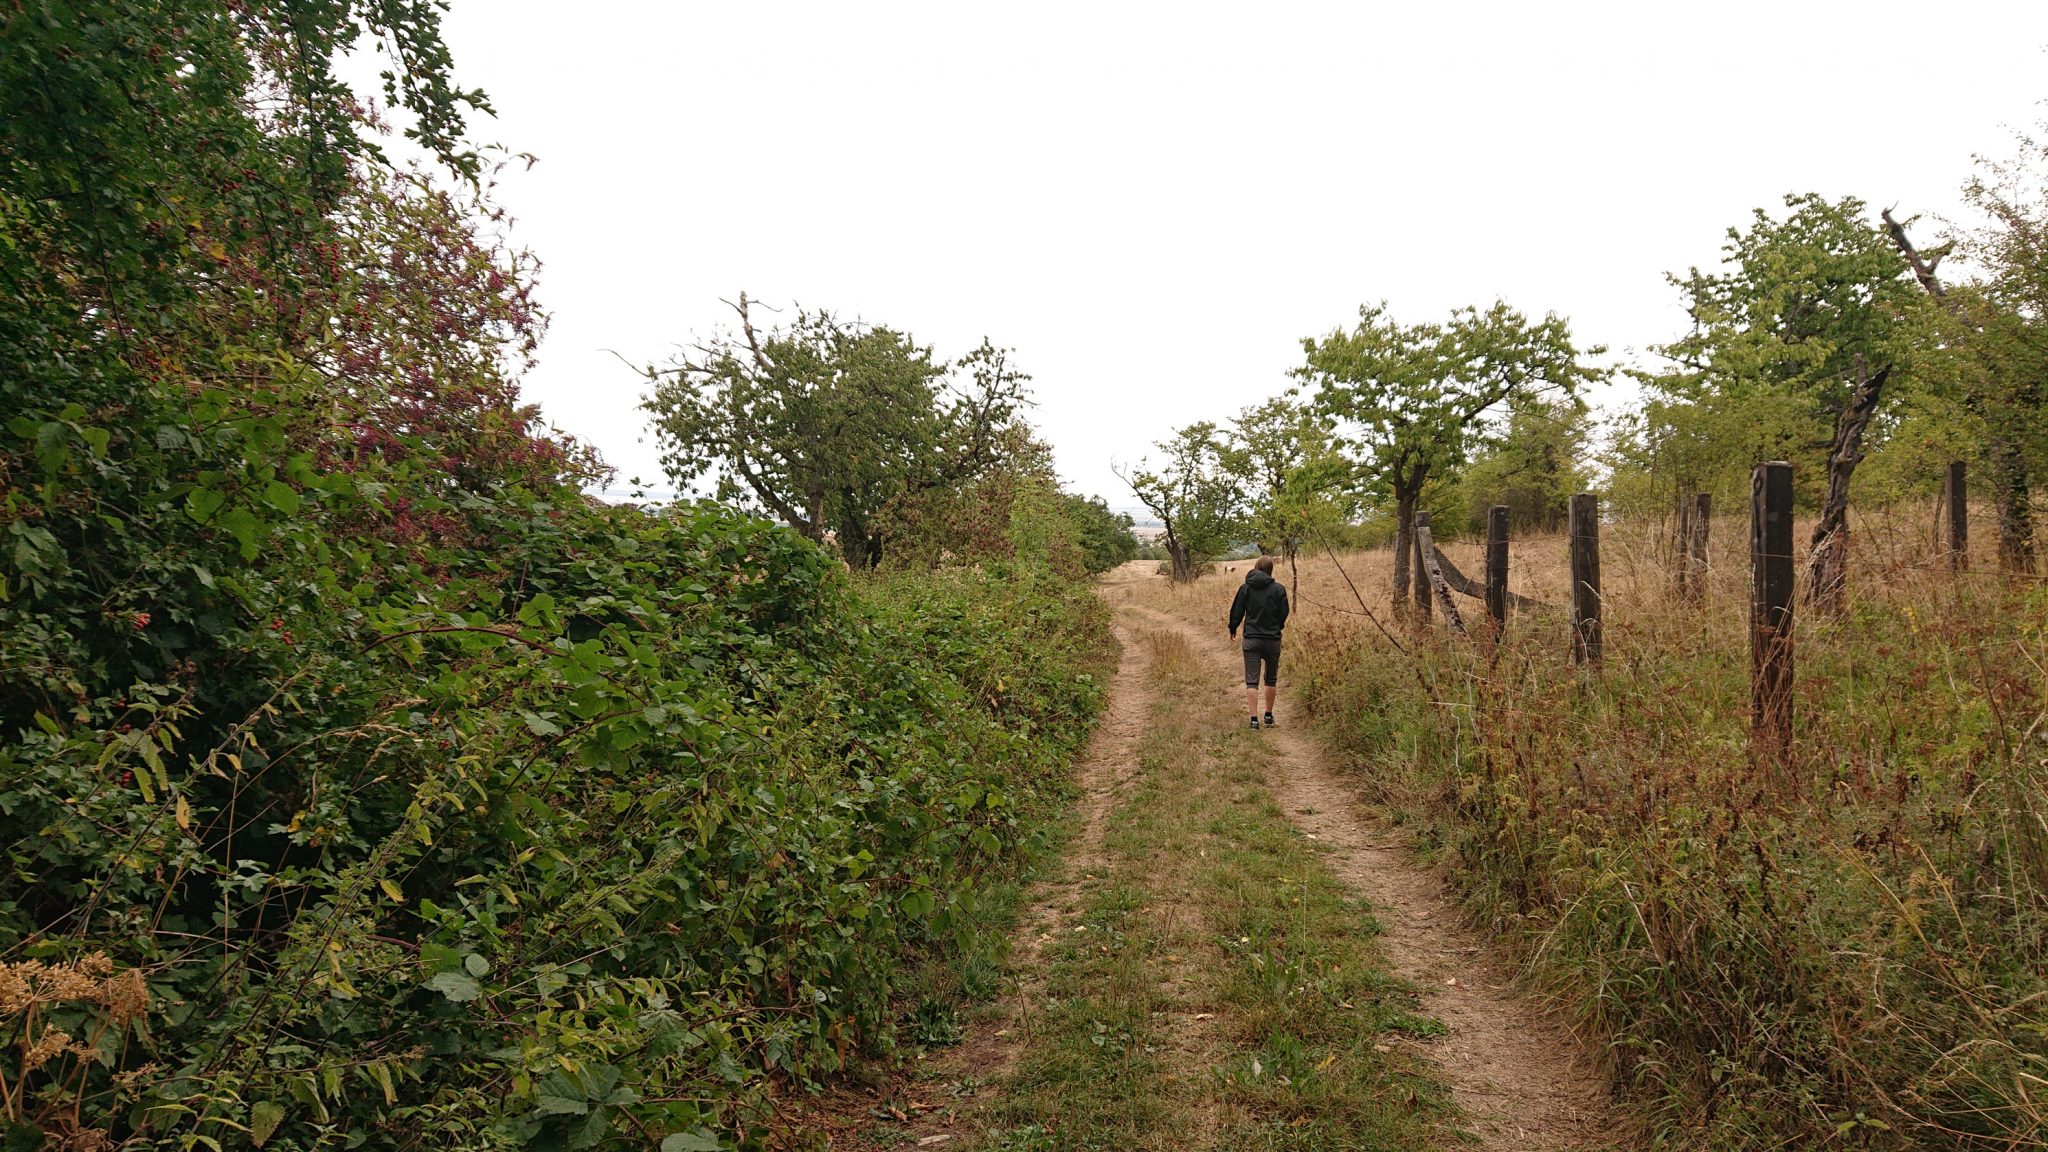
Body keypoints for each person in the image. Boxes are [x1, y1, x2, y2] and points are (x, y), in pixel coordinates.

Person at [1227, 556, 1289, 730]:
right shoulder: (1279, 589)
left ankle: (1254, 720)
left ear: (1256, 567)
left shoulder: (1246, 588)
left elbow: (1237, 611)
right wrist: (1277, 627)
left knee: (1251, 681)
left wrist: (1233, 628)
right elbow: (1284, 613)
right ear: (1271, 569)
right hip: (1273, 640)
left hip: (1251, 639)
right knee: (1271, 679)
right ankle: (1268, 716)